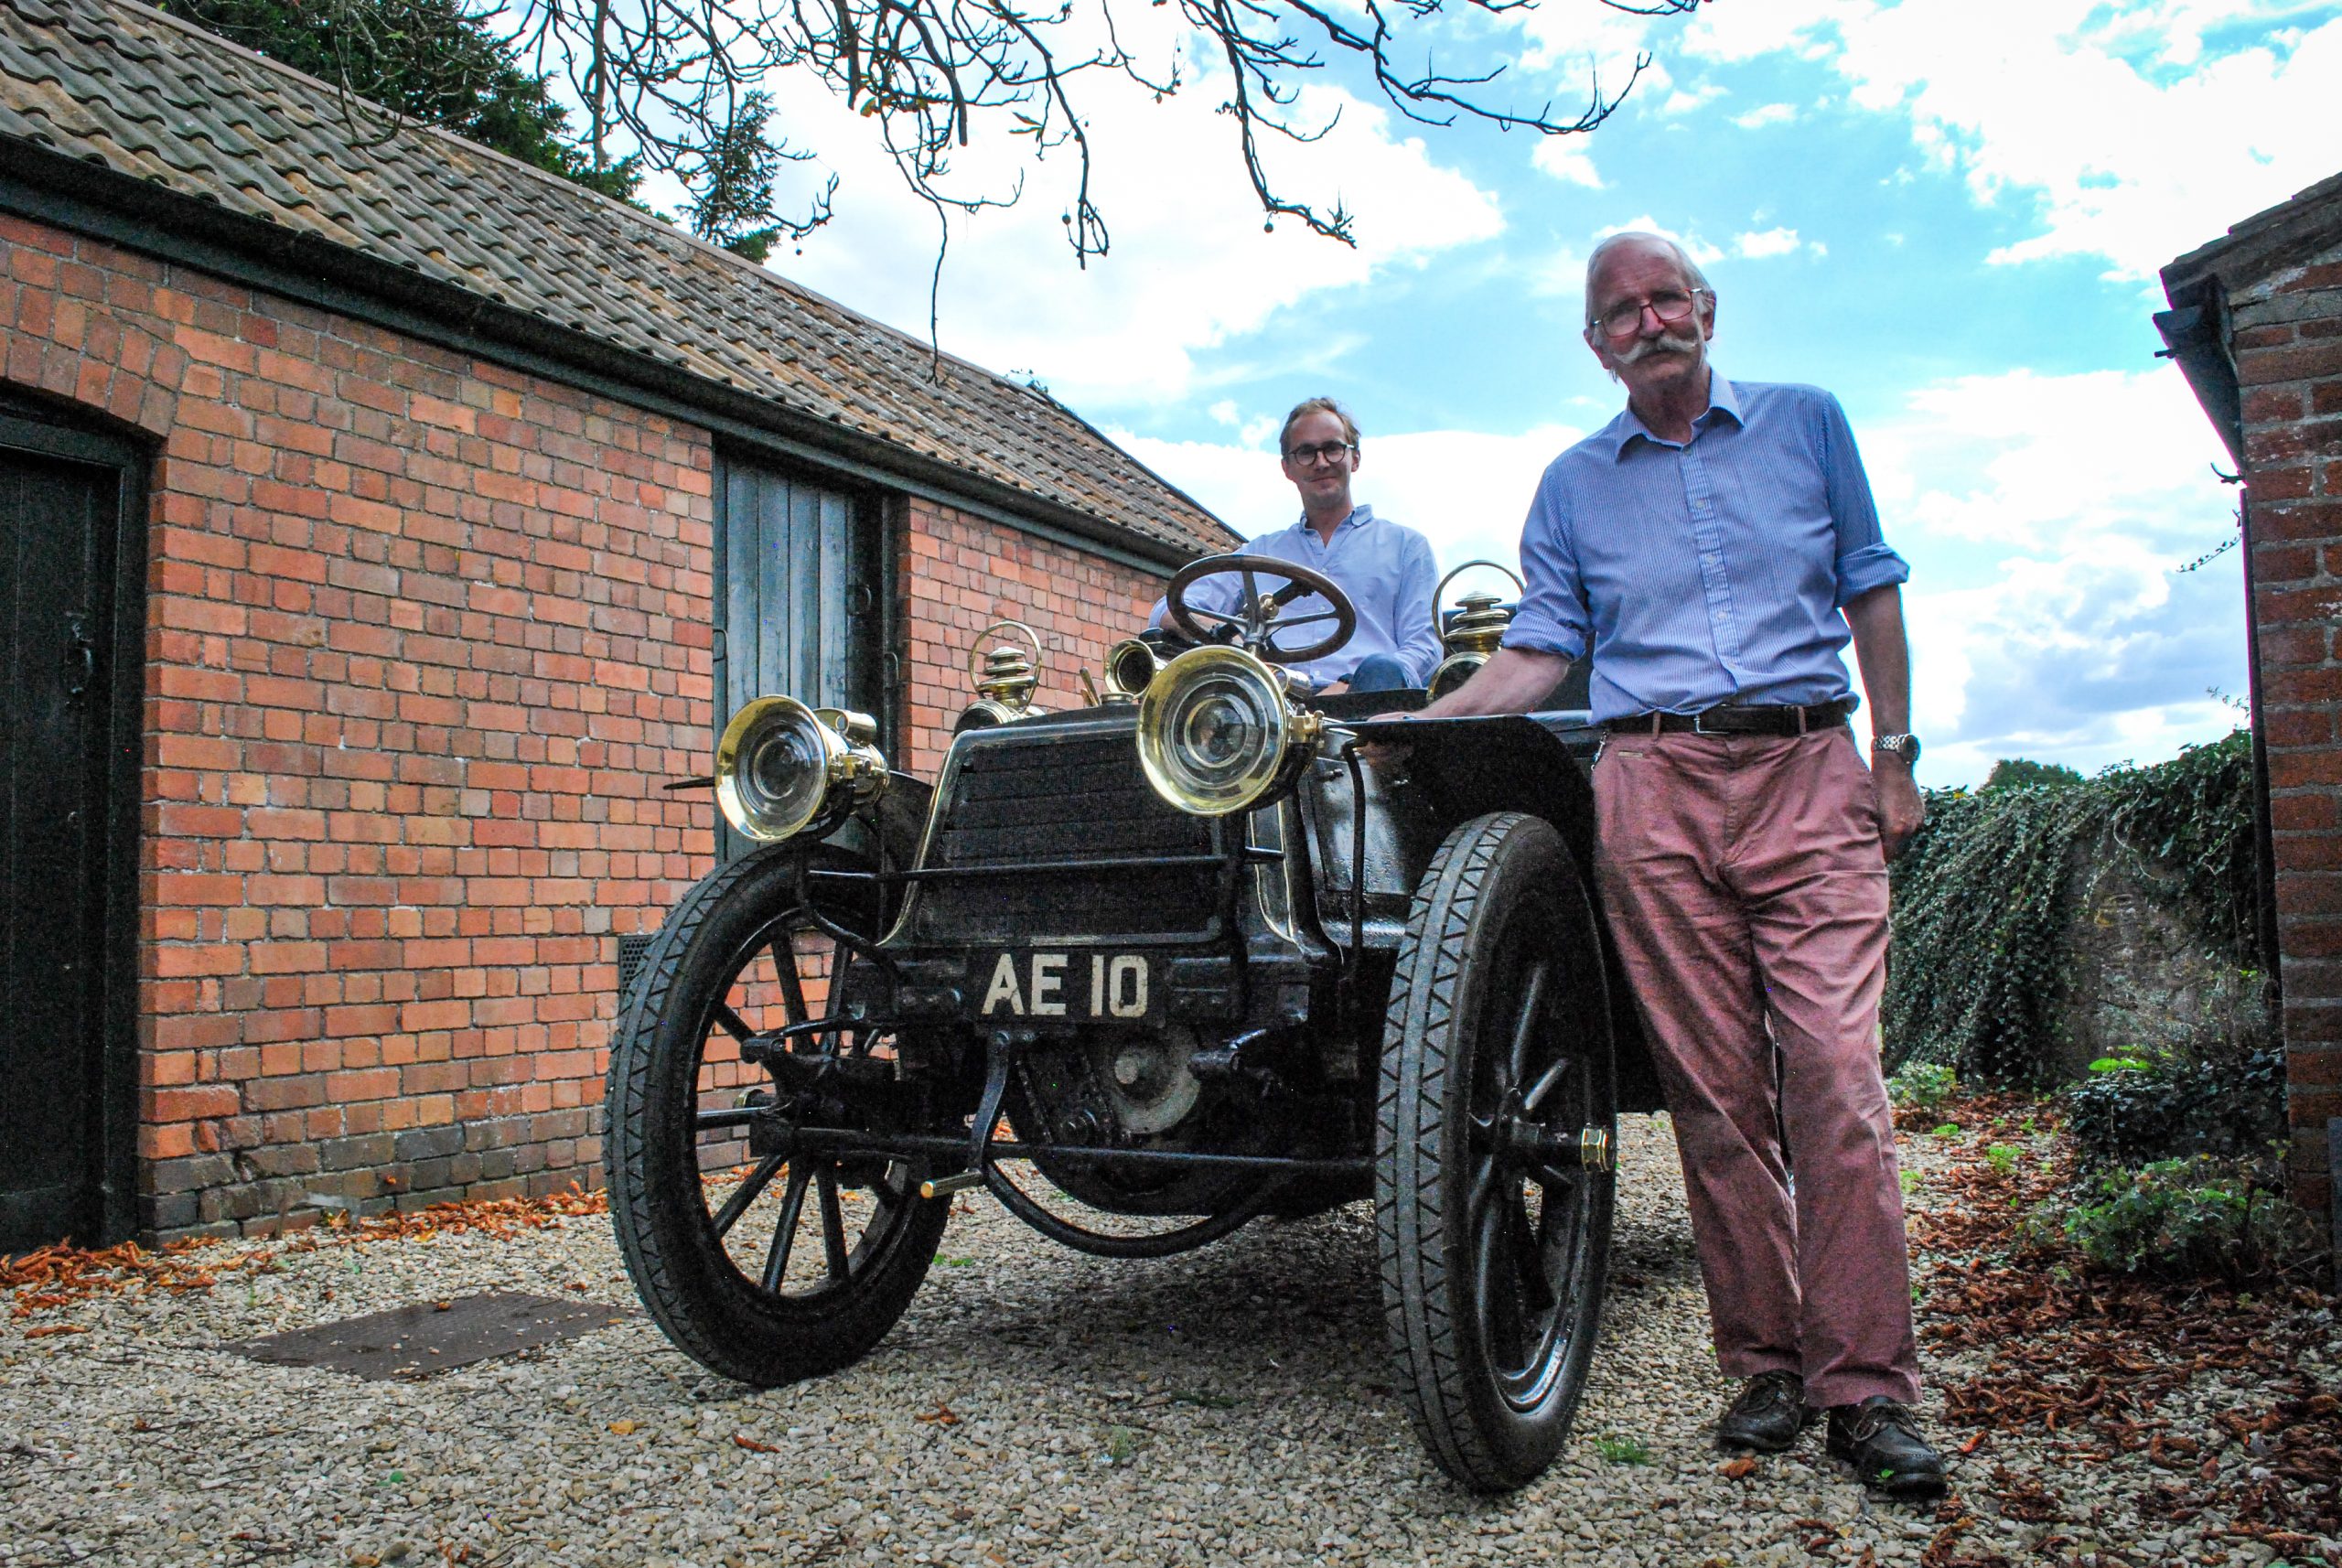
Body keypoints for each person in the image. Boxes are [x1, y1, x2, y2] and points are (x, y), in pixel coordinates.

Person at [1394, 232, 1945, 1499]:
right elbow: (1541, 650)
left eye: (1665, 298)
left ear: (1707, 307)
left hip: (1810, 769)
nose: (1648, 321)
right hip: (1649, 789)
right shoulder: (1573, 484)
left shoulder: (1810, 424)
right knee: (1711, 1094)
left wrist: (1896, 755)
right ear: (1597, 346)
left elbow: (1872, 590)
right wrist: (1422, 730)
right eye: (1620, 312)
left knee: (1834, 1078)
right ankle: (1766, 1363)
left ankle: (1867, 1388)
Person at [1153, 397, 1440, 694]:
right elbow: (1170, 608)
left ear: (1354, 459)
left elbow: (1425, 648)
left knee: (1383, 670)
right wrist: (1234, 644)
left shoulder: (1407, 547)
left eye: (1332, 448)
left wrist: (1352, 687)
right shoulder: (1258, 554)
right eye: (1306, 452)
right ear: (1287, 468)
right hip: (1270, 705)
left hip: (1367, 705)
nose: (1321, 462)